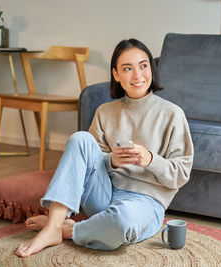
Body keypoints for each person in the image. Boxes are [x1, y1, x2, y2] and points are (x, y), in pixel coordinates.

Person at [15, 38, 194, 258]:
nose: (137, 76)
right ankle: (53, 227)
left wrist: (149, 159)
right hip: (104, 194)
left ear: (151, 68)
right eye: (127, 69)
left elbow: (181, 173)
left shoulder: (172, 114)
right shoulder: (105, 112)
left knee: (121, 220)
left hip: (145, 204)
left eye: (143, 66)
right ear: (116, 75)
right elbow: (89, 163)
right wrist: (112, 161)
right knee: (80, 139)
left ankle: (68, 229)